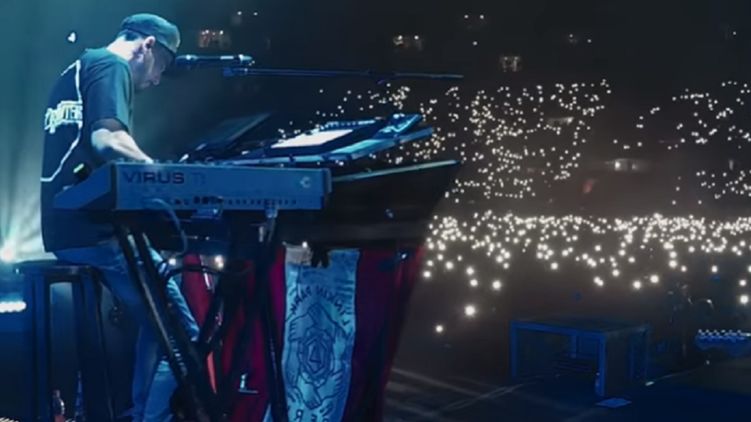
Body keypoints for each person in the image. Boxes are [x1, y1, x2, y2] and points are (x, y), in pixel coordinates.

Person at [40, 13, 199, 421]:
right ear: (148, 46)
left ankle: (140, 411)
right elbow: (108, 139)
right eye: (163, 66)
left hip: (65, 229)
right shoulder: (111, 65)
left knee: (158, 326)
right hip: (96, 233)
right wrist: (165, 175)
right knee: (183, 335)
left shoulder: (78, 67)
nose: (157, 80)